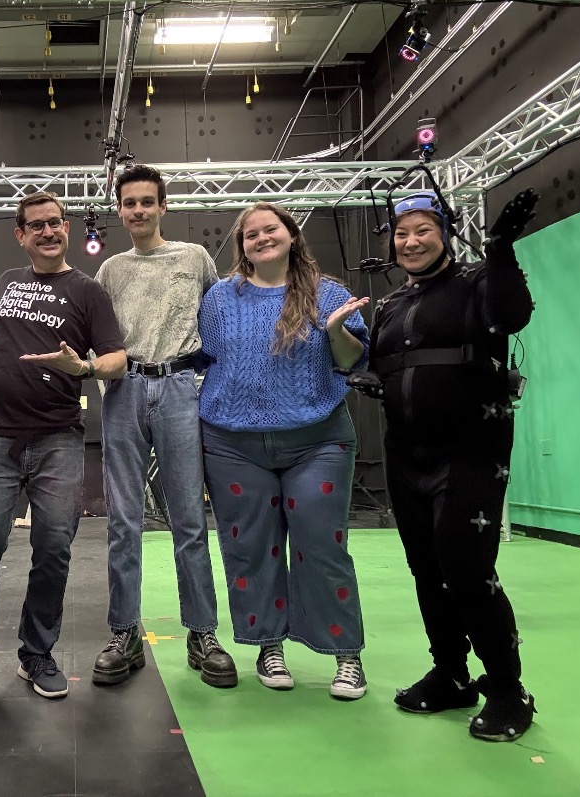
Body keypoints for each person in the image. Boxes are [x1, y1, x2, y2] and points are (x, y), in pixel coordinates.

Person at [360, 189, 539, 741]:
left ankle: (509, 690)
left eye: (423, 230)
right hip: (406, 454)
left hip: (471, 450)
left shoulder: (479, 282)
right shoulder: (389, 305)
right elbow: (382, 362)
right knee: (427, 571)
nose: (411, 242)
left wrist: (502, 248)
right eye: (402, 233)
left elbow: (513, 315)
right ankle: (451, 674)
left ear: (444, 232)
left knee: (467, 571)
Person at [0, 191, 127, 706]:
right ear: (20, 235)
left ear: (67, 228)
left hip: (58, 437)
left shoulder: (87, 291)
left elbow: (118, 358)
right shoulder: (7, 282)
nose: (48, 232)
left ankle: (37, 654)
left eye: (55, 223)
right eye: (36, 226)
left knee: (53, 550)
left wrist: (85, 368)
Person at [198, 201, 371, 700]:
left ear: (291, 235)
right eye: (250, 234)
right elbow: (207, 355)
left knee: (322, 544)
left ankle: (347, 656)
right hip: (232, 444)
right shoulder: (218, 299)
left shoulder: (328, 294)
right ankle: (268, 645)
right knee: (250, 547)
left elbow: (348, 363)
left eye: (269, 229)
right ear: (242, 247)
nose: (260, 238)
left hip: (317, 440)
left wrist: (337, 330)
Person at [91, 164, 237, 689]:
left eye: (147, 201)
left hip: (179, 388)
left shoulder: (194, 259)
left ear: (163, 206)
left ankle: (202, 634)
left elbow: (217, 319)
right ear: (119, 209)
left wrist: (203, 383)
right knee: (122, 522)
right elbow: (100, 339)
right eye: (129, 202)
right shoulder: (109, 270)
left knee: (189, 523)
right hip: (125, 390)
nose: (138, 210)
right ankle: (124, 634)